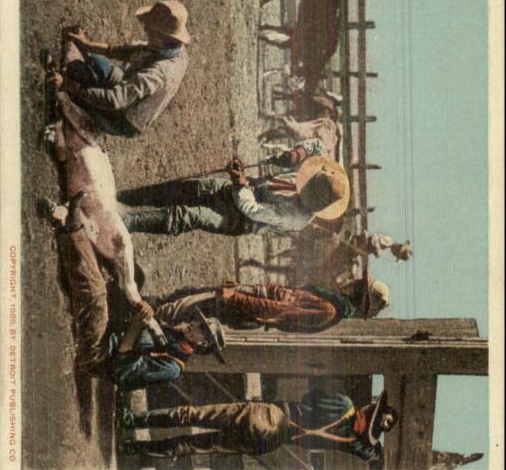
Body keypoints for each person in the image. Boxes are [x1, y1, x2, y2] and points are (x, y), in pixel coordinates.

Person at [59, 194, 226, 392]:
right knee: (134, 275)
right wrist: (142, 308)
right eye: (199, 321)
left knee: (97, 299)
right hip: (111, 333)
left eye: (201, 328)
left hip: (98, 355)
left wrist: (136, 325)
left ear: (203, 343)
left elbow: (120, 372)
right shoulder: (173, 335)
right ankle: (83, 241)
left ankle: (73, 230)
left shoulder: (172, 367)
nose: (194, 324)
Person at [117, 141, 350, 237]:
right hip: (239, 188)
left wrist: (240, 182)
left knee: (188, 216)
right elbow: (317, 145)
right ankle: (126, 197)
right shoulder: (319, 173)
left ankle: (126, 223)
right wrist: (294, 155)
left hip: (237, 219)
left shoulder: (298, 217)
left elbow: (253, 210)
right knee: (190, 187)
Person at [117, 389, 398, 464]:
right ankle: (131, 448)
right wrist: (374, 444)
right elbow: (371, 454)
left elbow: (309, 398)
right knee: (194, 446)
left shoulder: (345, 404)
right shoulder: (355, 442)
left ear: (372, 408)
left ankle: (130, 420)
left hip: (271, 416)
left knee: (195, 415)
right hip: (270, 442)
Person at [51, 0, 190, 137]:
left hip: (125, 119)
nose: (145, 29)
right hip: (129, 89)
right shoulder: (173, 48)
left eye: (150, 29)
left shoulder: (158, 74)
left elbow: (115, 100)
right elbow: (124, 51)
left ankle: (91, 115)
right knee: (91, 64)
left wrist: (67, 85)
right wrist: (87, 45)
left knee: (75, 94)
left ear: (161, 37)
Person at [143, 271, 390, 335]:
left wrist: (237, 296)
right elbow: (282, 294)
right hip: (251, 299)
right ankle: (145, 308)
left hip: (249, 309)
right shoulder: (330, 302)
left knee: (188, 306)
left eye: (358, 284)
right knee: (194, 295)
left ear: (358, 293)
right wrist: (243, 288)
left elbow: (277, 310)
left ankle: (141, 316)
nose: (353, 280)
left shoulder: (328, 309)